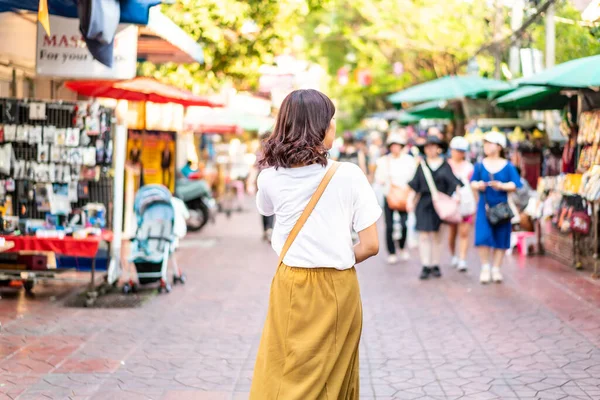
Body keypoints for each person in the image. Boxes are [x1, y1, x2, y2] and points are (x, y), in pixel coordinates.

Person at [251, 89, 381, 399]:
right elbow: (371, 244)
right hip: (338, 285)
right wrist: (336, 254)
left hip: (291, 282)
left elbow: (266, 210)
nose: (334, 125)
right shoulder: (349, 175)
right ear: (320, 127)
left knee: (285, 369)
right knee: (335, 373)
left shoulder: (269, 177)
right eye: (331, 120)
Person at [407, 136, 462, 280]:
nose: (430, 149)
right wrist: (410, 200)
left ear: (438, 148)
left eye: (433, 146)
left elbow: (454, 183)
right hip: (424, 203)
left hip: (440, 204)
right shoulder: (422, 165)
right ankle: (426, 265)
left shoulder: (445, 165)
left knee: (438, 235)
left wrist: (456, 196)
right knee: (424, 235)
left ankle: (435, 264)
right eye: (427, 146)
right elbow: (415, 185)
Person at [471, 132, 521, 284]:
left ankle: (496, 268)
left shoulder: (508, 166)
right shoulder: (480, 165)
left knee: (501, 236)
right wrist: (478, 185)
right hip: (484, 205)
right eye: (485, 143)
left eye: (490, 143)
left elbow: (516, 184)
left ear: (499, 146)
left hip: (502, 206)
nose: (486, 146)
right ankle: (485, 267)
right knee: (482, 236)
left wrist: (502, 186)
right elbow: (472, 182)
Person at [375, 133, 416, 264]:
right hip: (389, 197)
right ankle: (391, 252)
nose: (395, 148)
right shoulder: (383, 161)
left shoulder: (409, 160)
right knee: (389, 226)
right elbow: (378, 178)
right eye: (393, 146)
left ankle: (403, 247)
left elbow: (413, 178)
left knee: (404, 225)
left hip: (404, 196)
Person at [447, 136, 475, 272]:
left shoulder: (469, 167)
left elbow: (473, 186)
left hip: (466, 203)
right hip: (451, 204)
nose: (459, 153)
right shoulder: (446, 165)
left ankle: (462, 258)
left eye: (461, 151)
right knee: (452, 231)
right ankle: (453, 255)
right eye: (457, 150)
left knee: (464, 232)